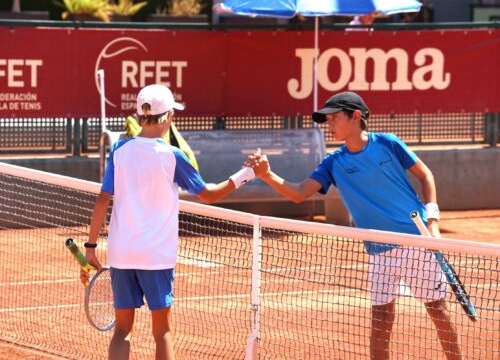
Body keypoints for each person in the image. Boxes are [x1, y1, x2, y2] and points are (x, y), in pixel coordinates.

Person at [246, 91, 462, 360]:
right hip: (378, 250)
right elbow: (299, 192)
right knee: (380, 320)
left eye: (335, 118)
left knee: (437, 310)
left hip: (417, 240)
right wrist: (266, 173)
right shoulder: (333, 162)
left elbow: (425, 175)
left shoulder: (388, 143)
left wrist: (433, 222)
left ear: (356, 116)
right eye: (328, 119)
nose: (330, 124)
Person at [80, 84, 256, 360]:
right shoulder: (173, 156)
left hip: (121, 253)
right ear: (169, 117)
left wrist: (90, 247)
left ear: (139, 117)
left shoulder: (119, 149)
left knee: (122, 330)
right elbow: (208, 195)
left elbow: (103, 199)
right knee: (162, 331)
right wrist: (246, 174)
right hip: (155, 256)